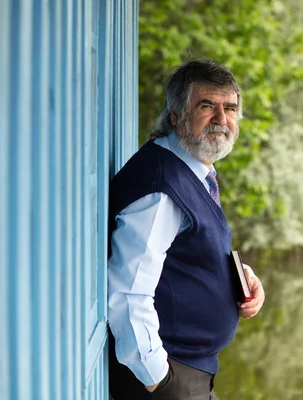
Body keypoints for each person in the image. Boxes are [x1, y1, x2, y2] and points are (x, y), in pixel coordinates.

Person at [107, 60, 265, 400]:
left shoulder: (193, 168)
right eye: (207, 106)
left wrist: (241, 278)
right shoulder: (162, 188)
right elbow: (128, 291)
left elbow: (184, 253)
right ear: (176, 114)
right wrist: (161, 381)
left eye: (231, 108)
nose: (222, 120)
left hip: (189, 370)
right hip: (168, 378)